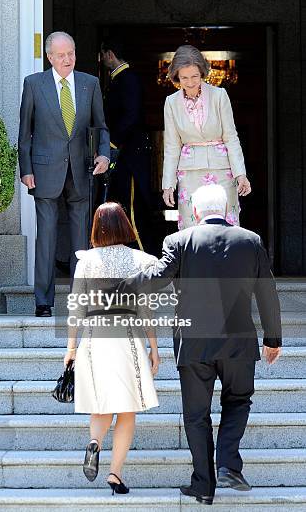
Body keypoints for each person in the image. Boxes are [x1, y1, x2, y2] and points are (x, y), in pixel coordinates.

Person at [120, 184, 282, 505]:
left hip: (193, 343)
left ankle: (203, 485)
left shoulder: (179, 241)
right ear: (226, 211)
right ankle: (228, 464)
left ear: (194, 212)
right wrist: (273, 339)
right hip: (239, 341)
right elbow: (268, 294)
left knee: (196, 416)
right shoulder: (251, 241)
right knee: (238, 401)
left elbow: (157, 278)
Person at [64, 202, 160, 494]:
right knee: (127, 410)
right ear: (125, 226)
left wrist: (70, 348)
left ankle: (95, 443)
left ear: (95, 228)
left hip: (93, 339)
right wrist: (153, 347)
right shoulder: (140, 260)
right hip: (127, 336)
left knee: (101, 403)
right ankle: (115, 474)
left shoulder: (86, 261)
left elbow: (76, 308)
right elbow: (146, 308)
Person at [18, 32, 110, 317]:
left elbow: (101, 127)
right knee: (46, 238)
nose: (67, 59)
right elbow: (25, 133)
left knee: (81, 240)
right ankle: (43, 302)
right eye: (60, 55)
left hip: (81, 170)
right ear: (49, 57)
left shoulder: (89, 84)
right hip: (45, 172)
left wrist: (104, 154)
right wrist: (26, 170)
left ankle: (80, 300)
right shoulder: (34, 84)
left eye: (70, 53)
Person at [162, 44, 252, 230]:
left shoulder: (220, 96)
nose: (190, 82)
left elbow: (231, 137)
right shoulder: (171, 102)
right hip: (189, 172)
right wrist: (168, 184)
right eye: (184, 77)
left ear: (202, 73)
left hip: (222, 170)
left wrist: (241, 174)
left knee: (226, 224)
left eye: (195, 76)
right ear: (176, 76)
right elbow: (171, 146)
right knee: (191, 226)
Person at [100, 39, 154, 253]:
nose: (102, 59)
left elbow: (131, 116)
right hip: (124, 155)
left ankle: (146, 258)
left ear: (110, 54)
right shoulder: (118, 79)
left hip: (130, 156)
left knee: (133, 211)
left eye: (103, 55)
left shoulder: (127, 79)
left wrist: (112, 143)